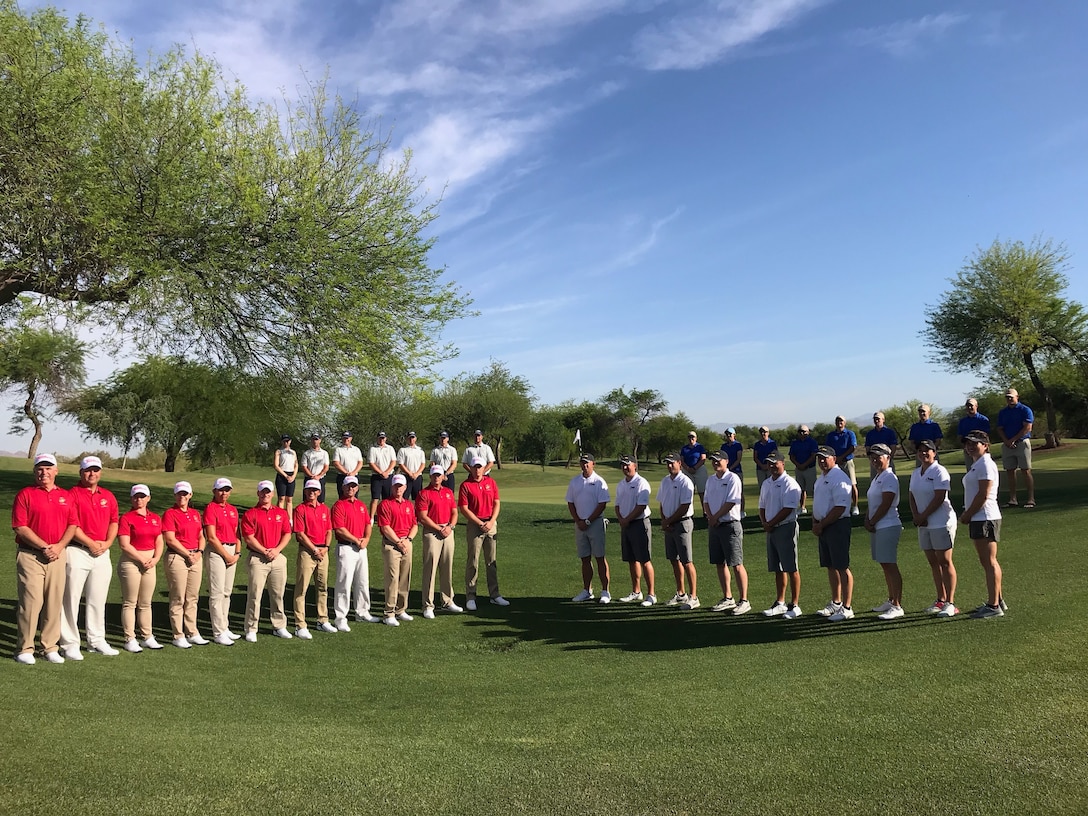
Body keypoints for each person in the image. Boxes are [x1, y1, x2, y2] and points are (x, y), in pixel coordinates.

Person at [11, 453, 75, 664]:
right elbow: (20, 527)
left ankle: (49, 647)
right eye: (40, 468)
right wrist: (45, 546)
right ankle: (25, 649)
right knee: (31, 603)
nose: (44, 472)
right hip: (31, 555)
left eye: (48, 468)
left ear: (56, 471)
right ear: (34, 471)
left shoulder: (65, 496)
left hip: (57, 555)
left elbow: (72, 525)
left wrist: (58, 547)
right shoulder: (25, 494)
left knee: (54, 602)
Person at [60, 455, 120, 659]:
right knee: (71, 599)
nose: (92, 473)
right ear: (81, 473)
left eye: (95, 470)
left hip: (102, 552)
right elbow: (72, 525)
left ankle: (96, 640)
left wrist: (107, 543)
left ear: (100, 472)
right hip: (77, 551)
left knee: (97, 599)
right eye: (88, 470)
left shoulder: (109, 496)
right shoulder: (72, 494)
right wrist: (90, 543)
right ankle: (70, 643)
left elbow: (114, 522)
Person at [960, 430, 1007, 618]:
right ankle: (997, 600)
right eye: (968, 443)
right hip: (979, 517)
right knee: (986, 561)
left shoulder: (985, 464)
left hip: (984, 516)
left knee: (989, 561)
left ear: (985, 445)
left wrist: (967, 514)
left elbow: (983, 494)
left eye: (975, 443)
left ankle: (994, 605)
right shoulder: (977, 464)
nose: (970, 446)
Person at [909, 440, 958, 617]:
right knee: (933, 563)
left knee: (945, 562)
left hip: (940, 521)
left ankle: (950, 603)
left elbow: (939, 497)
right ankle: (940, 599)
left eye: (927, 451)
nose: (924, 454)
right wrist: (916, 515)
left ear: (934, 453)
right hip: (924, 523)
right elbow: (912, 495)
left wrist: (923, 516)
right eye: (920, 451)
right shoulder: (916, 473)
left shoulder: (939, 471)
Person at [241, 480, 293, 641]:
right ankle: (251, 628)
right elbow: (249, 538)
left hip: (277, 557)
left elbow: (287, 533)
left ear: (272, 494)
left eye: (268, 491)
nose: (265, 494)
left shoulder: (281, 513)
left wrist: (276, 550)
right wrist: (264, 551)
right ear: (258, 493)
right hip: (258, 558)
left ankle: (279, 626)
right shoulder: (250, 514)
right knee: (255, 594)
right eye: (262, 491)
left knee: (278, 594)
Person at [117, 484, 165, 652]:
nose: (139, 499)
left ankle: (147, 636)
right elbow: (124, 544)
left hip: (150, 562)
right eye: (136, 496)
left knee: (145, 603)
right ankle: (130, 638)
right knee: (130, 602)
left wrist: (155, 559)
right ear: (132, 499)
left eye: (142, 496)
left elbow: (159, 540)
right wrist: (142, 559)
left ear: (148, 498)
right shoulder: (126, 518)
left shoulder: (155, 518)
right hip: (131, 562)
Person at [459, 457, 509, 610]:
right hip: (475, 525)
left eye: (479, 467)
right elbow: (464, 509)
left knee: (491, 561)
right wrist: (480, 523)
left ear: (484, 468)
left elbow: (496, 503)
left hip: (491, 524)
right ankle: (471, 595)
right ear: (471, 468)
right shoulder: (465, 485)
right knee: (473, 561)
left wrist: (492, 521)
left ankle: (494, 595)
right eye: (475, 467)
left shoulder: (491, 483)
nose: (477, 470)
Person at [162, 480, 209, 648]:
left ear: (190, 495)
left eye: (185, 494)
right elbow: (170, 539)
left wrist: (199, 552)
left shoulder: (196, 514)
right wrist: (188, 553)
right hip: (178, 557)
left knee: (192, 597)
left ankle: (192, 631)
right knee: (178, 597)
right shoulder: (170, 513)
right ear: (175, 495)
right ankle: (178, 634)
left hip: (195, 556)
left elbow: (201, 536)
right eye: (179, 494)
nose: (182, 496)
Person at [702, 451, 749, 615]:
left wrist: (715, 517)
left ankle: (744, 600)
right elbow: (705, 501)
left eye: (718, 460)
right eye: (713, 461)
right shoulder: (711, 480)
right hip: (715, 525)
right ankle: (727, 597)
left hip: (730, 524)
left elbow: (731, 502)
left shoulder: (732, 478)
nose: (715, 463)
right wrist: (710, 517)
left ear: (726, 461)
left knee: (736, 564)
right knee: (719, 563)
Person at [811, 446, 854, 622]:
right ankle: (836, 602)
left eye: (825, 458)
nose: (821, 461)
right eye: (819, 458)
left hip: (837, 525)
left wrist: (821, 524)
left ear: (834, 459)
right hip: (824, 526)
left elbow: (840, 507)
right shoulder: (821, 478)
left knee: (842, 566)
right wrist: (816, 522)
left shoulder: (839, 477)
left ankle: (847, 606)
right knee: (830, 565)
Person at [759, 452, 803, 619]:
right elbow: (762, 506)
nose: (771, 466)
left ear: (782, 464)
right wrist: (765, 522)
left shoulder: (790, 483)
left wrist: (770, 523)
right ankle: (780, 602)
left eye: (774, 463)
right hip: (771, 528)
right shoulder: (766, 483)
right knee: (777, 567)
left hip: (786, 527)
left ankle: (795, 605)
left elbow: (788, 509)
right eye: (769, 463)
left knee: (791, 567)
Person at [417, 465, 463, 618]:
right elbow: (423, 517)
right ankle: (428, 605)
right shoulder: (424, 493)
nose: (437, 478)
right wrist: (439, 528)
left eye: (439, 475)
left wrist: (450, 526)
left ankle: (448, 601)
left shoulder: (448, 492)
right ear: (430, 477)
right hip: (432, 533)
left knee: (447, 567)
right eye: (434, 475)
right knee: (430, 568)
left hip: (448, 532)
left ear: (443, 476)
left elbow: (454, 512)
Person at [292, 479, 336, 639]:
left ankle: (322, 619)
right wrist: (315, 549)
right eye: (309, 489)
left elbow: (329, 531)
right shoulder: (300, 509)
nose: (311, 492)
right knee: (301, 588)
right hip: (307, 551)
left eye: (314, 490)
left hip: (323, 552)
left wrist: (325, 548)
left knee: (322, 587)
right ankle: (300, 624)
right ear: (305, 491)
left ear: (319, 492)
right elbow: (300, 534)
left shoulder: (325, 509)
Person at [866, 444, 905, 620]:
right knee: (884, 563)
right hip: (878, 526)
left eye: (878, 457)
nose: (875, 460)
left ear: (888, 458)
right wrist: (868, 519)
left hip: (888, 524)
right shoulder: (877, 477)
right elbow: (872, 503)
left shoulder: (889, 477)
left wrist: (872, 520)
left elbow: (886, 503)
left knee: (890, 564)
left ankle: (897, 605)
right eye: (872, 457)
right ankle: (891, 599)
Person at [331, 475, 376, 630]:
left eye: (354, 486)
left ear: (357, 488)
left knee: (363, 582)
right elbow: (339, 528)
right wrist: (357, 540)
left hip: (361, 547)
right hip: (346, 547)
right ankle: (340, 617)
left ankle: (362, 612)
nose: (351, 489)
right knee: (344, 583)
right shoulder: (339, 505)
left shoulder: (361, 505)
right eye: (348, 486)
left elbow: (367, 524)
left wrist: (366, 539)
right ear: (343, 487)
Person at [566, 453, 611, 603]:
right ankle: (587, 590)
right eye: (582, 462)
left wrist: (588, 521)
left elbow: (602, 504)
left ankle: (605, 591)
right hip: (580, 525)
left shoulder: (599, 482)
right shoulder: (575, 482)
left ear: (593, 464)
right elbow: (570, 503)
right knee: (584, 558)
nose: (584, 465)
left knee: (599, 557)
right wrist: (579, 521)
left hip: (595, 523)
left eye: (587, 462)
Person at [204, 477, 242, 645]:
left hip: (232, 550)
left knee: (227, 592)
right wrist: (227, 556)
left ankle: (224, 626)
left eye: (227, 490)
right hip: (217, 552)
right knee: (217, 593)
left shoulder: (233, 509)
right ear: (214, 491)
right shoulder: (210, 509)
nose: (224, 493)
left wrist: (237, 553)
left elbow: (236, 533)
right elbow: (211, 537)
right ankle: (218, 631)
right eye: (221, 490)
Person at [658, 453, 698, 609]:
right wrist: (664, 520)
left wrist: (668, 521)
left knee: (687, 561)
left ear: (679, 463)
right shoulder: (665, 481)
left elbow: (684, 506)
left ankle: (693, 596)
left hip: (682, 523)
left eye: (672, 463)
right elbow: (662, 503)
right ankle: (681, 593)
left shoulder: (685, 481)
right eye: (667, 463)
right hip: (669, 524)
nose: (669, 466)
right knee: (674, 560)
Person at [614, 454, 656, 606]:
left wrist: (627, 519)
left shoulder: (641, 482)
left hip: (639, 523)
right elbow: (617, 505)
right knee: (631, 560)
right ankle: (636, 591)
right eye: (623, 465)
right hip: (626, 525)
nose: (625, 467)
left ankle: (651, 594)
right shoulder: (621, 484)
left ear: (635, 465)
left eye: (628, 464)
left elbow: (641, 506)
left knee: (644, 560)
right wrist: (621, 519)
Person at [376, 473, 417, 626]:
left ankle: (401, 609)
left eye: (401, 486)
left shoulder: (408, 505)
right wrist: (399, 542)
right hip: (392, 544)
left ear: (405, 487)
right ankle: (389, 613)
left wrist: (408, 540)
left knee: (405, 578)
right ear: (391, 487)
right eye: (396, 486)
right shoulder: (385, 504)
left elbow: (414, 525)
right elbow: (385, 527)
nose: (398, 488)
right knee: (392, 579)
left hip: (406, 543)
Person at [998, 387, 1035, 508]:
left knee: (1026, 470)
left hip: (1022, 443)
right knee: (1010, 471)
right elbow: (1000, 428)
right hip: (1008, 444)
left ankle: (1031, 499)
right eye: (1007, 397)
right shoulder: (1003, 412)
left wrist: (1013, 440)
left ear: (1017, 397)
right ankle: (1013, 499)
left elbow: (1027, 427)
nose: (1009, 399)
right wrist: (1007, 441)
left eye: (1011, 397)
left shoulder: (1025, 410)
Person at [826, 415, 859, 516]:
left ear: (845, 422)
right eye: (837, 421)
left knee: (852, 484)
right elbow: (828, 449)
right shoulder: (831, 435)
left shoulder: (850, 434)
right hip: (835, 464)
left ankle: (855, 506)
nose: (839, 422)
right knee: (834, 485)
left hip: (847, 462)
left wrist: (841, 457)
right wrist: (835, 459)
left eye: (841, 421)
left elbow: (852, 447)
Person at [788, 425, 818, 515]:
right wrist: (798, 465)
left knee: (813, 490)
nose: (802, 433)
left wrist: (804, 465)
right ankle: (802, 507)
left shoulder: (812, 442)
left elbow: (813, 456)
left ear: (808, 432)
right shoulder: (795, 443)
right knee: (800, 489)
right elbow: (792, 456)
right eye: (800, 431)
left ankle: (816, 507)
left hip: (809, 468)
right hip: (799, 469)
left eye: (804, 431)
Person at [368, 431, 397, 518]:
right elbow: (371, 463)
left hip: (389, 476)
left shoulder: (390, 448)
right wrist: (381, 472)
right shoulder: (373, 449)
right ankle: (372, 518)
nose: (382, 440)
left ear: (386, 438)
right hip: (376, 476)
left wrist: (387, 472)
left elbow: (393, 461)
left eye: (383, 438)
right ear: (377, 438)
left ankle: (387, 516)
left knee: (388, 499)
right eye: (380, 438)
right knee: (375, 498)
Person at [957, 399, 990, 470]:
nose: (969, 408)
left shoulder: (983, 420)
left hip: (980, 449)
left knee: (982, 469)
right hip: (968, 449)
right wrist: (965, 447)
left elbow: (985, 436)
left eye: (971, 406)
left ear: (976, 406)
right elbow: (960, 436)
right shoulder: (963, 421)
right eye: (967, 406)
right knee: (971, 470)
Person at [720, 427, 746, 517]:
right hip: (726, 471)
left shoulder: (738, 445)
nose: (728, 436)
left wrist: (731, 467)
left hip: (736, 470)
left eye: (730, 434)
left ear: (734, 435)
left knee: (740, 491)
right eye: (727, 434)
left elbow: (738, 459)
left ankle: (742, 511)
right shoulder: (724, 446)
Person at [680, 430, 708, 507]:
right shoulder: (684, 448)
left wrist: (695, 468)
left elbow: (703, 459)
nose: (691, 439)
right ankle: (689, 511)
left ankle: (705, 512)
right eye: (689, 437)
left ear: (696, 438)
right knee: (689, 491)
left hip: (699, 469)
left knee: (702, 491)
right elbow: (681, 460)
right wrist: (688, 468)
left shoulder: (700, 447)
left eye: (693, 437)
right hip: (687, 470)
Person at [397, 431, 427, 500]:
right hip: (406, 476)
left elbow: (423, 464)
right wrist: (409, 473)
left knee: (418, 498)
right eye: (409, 438)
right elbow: (401, 464)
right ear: (407, 439)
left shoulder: (420, 450)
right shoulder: (402, 450)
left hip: (417, 477)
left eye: (413, 437)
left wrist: (416, 474)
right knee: (404, 498)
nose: (411, 439)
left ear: (415, 438)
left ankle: (417, 511)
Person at [301, 433, 331, 504]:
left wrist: (318, 476)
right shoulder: (306, 453)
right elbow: (304, 467)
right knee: (307, 500)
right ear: (311, 440)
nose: (315, 441)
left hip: (320, 479)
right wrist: (311, 476)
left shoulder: (324, 453)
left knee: (321, 501)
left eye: (317, 439)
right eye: (313, 439)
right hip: (309, 479)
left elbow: (326, 467)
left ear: (320, 440)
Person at [332, 431, 364, 496]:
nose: (346, 440)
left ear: (351, 438)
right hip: (342, 476)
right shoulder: (338, 449)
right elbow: (336, 463)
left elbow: (360, 463)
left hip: (354, 476)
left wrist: (353, 473)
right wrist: (346, 473)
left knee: (354, 497)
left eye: (347, 438)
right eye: (344, 438)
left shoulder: (356, 449)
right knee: (342, 497)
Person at [273, 434, 298, 514]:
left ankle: (289, 519)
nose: (286, 443)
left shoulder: (293, 452)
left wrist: (293, 476)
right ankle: (280, 516)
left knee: (289, 499)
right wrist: (285, 475)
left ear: (290, 441)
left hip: (291, 475)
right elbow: (276, 466)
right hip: (282, 474)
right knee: (281, 498)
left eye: (287, 441)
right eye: (284, 441)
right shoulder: (279, 451)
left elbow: (296, 464)